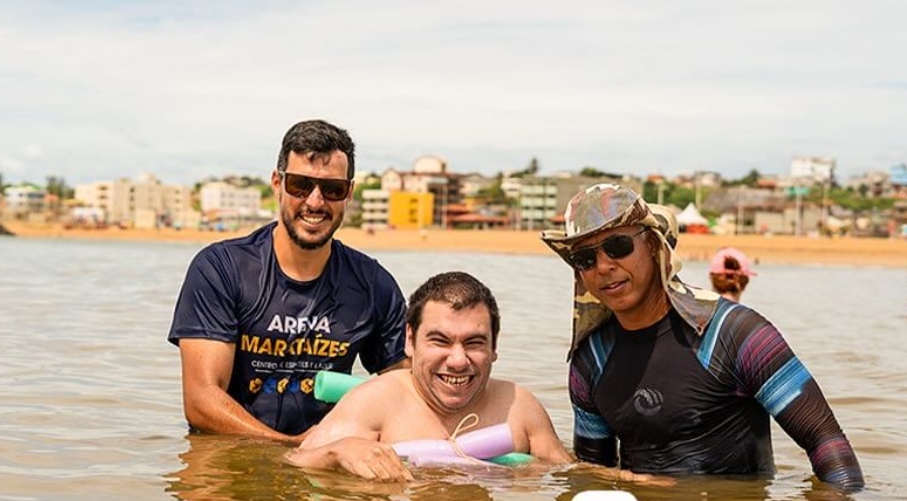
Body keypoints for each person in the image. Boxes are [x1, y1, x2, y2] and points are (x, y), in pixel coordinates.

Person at [540, 183, 864, 492]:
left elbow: (828, 445)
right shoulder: (590, 360)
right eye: (585, 258)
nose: (603, 266)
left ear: (653, 245)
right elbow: (593, 474)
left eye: (618, 247)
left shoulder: (735, 335)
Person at [167, 119, 410, 443]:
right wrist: (288, 446)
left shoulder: (373, 285)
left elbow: (407, 394)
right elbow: (200, 402)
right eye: (300, 185)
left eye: (332, 189)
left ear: (349, 193)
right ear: (277, 182)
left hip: (322, 460)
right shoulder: (221, 269)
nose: (314, 202)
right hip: (229, 457)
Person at [286, 271, 572, 481]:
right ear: (410, 340)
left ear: (495, 346)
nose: (458, 361)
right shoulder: (374, 402)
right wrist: (338, 451)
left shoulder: (519, 408)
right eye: (440, 341)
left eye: (474, 343)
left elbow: (569, 475)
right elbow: (293, 463)